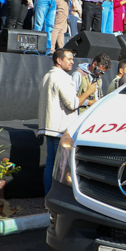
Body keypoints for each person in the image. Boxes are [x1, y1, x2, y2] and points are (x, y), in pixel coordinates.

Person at [39, 49, 96, 194]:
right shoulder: (63, 78)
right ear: (59, 60)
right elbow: (72, 103)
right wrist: (88, 92)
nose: (72, 62)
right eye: (69, 59)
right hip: (60, 129)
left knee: (50, 163)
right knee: (60, 167)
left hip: (50, 127)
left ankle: (48, 196)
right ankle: (55, 198)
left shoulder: (47, 76)